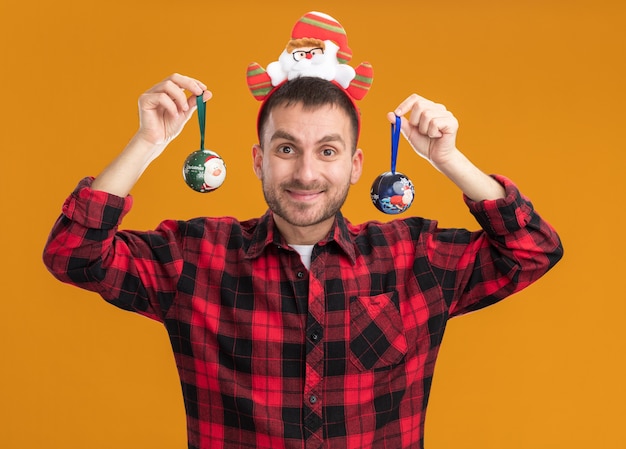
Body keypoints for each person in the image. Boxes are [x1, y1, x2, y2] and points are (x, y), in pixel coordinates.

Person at [43, 71, 563, 449]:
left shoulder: (413, 257)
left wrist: (448, 159)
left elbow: (533, 249)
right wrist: (146, 143)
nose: (306, 174)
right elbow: (73, 254)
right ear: (258, 159)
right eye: (287, 149)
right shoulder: (195, 257)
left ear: (357, 165)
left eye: (329, 151)